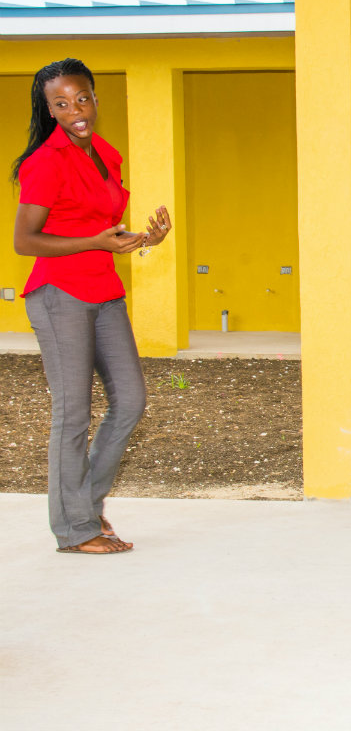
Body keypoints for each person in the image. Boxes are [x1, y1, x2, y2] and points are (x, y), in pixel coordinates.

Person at [11, 58, 172, 554]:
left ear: (95, 96)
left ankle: (87, 505)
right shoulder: (44, 162)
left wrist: (145, 239)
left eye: (82, 98)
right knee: (72, 413)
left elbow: (102, 227)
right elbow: (26, 241)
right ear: (48, 109)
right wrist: (97, 243)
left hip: (104, 291)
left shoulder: (104, 153)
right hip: (59, 294)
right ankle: (74, 529)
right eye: (60, 103)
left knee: (130, 400)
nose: (75, 110)